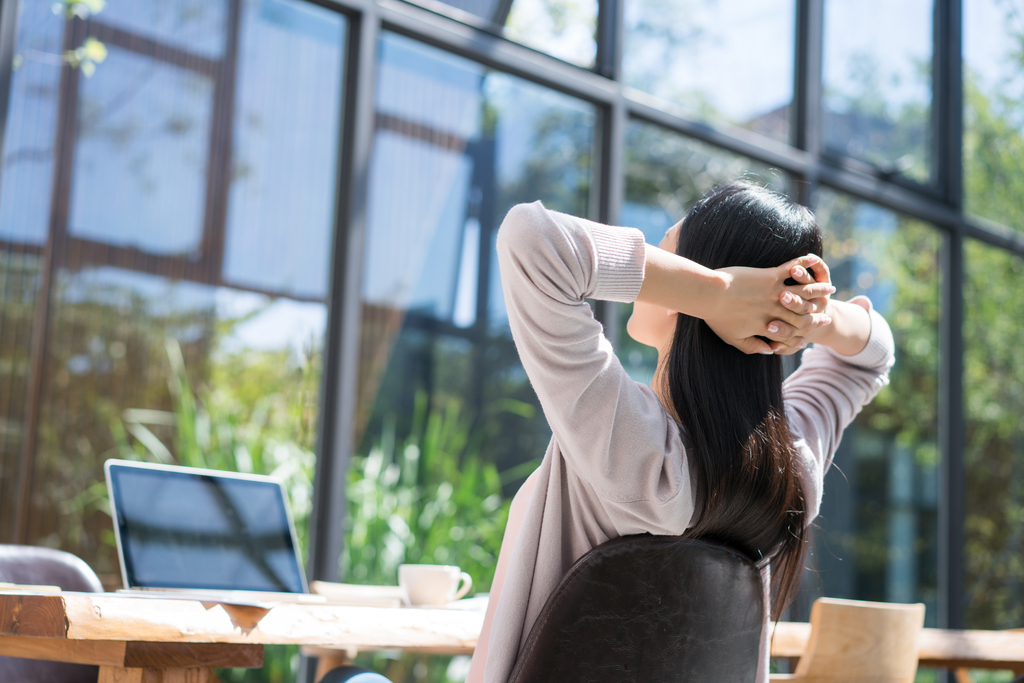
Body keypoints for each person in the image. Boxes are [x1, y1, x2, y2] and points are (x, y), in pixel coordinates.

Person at [464, 182, 895, 683]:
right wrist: (803, 313)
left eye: (664, 250)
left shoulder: (628, 441)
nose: (658, 271)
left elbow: (532, 238)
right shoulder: (787, 470)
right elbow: (873, 354)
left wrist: (719, 292)